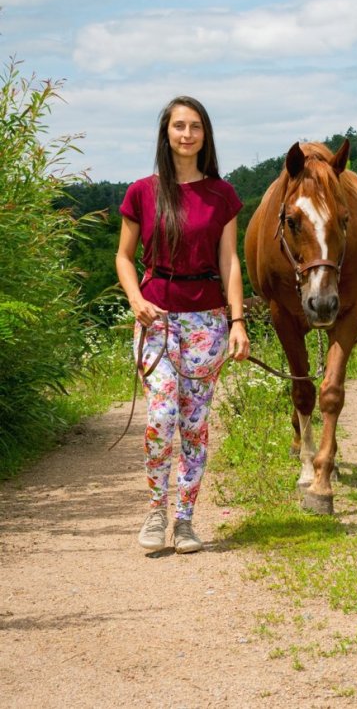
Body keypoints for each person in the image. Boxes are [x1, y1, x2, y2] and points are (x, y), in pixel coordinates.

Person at [116, 96, 250, 554]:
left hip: (207, 322)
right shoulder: (142, 192)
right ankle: (156, 511)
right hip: (156, 318)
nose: (187, 134)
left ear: (205, 135)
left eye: (195, 126)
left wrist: (238, 321)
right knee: (161, 417)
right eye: (179, 126)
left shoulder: (222, 195)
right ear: (166, 133)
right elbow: (123, 256)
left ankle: (186, 520)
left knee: (194, 425)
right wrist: (135, 299)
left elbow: (230, 260)